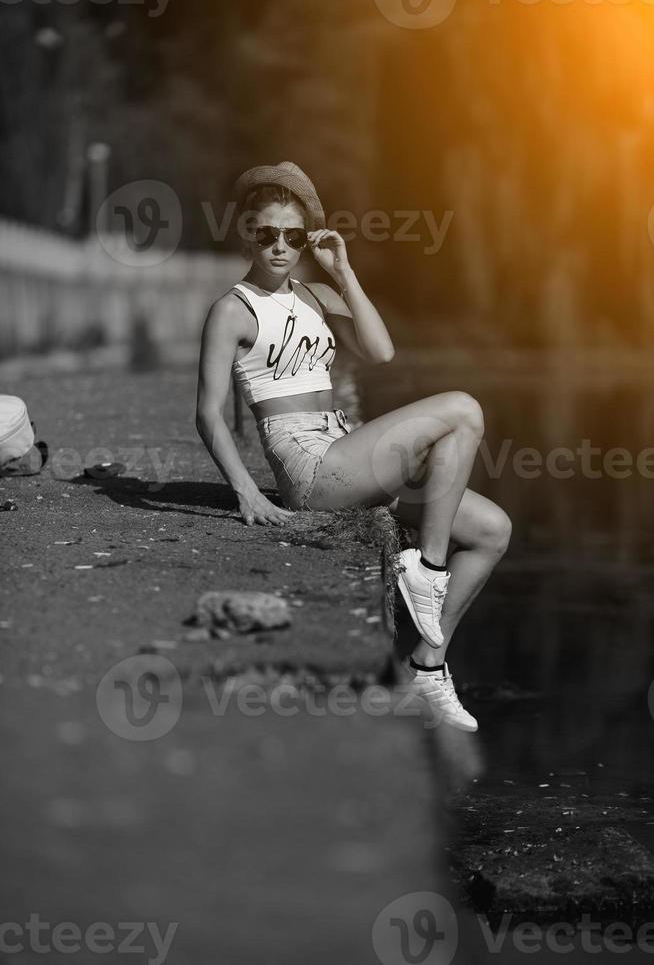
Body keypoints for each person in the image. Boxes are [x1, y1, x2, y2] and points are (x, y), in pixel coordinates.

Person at [196, 161, 511, 732]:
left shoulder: (316, 295)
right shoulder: (232, 310)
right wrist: (246, 493)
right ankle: (429, 568)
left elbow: (381, 351)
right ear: (247, 230)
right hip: (308, 465)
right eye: (267, 234)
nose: (280, 248)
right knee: (463, 409)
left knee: (492, 531)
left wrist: (343, 272)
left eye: (293, 237)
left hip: (344, 448)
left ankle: (426, 665)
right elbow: (207, 412)